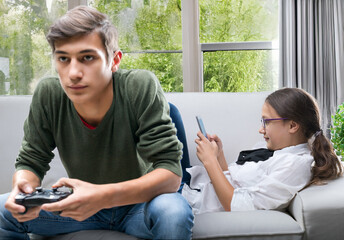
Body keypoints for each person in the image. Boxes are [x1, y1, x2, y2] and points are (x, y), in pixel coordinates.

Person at [0, 6, 193, 240]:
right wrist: (23, 188)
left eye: (87, 58)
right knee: (3, 209)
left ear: (115, 60)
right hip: (78, 207)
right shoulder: (48, 94)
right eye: (63, 58)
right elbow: (31, 161)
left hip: (140, 205)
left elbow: (171, 175)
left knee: (173, 213)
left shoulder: (140, 86)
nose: (73, 73)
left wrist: (101, 196)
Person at [182, 88, 343, 214]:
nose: (261, 129)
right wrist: (219, 156)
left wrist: (210, 161)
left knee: (169, 110)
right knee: (171, 110)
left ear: (293, 126)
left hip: (189, 192)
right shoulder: (276, 150)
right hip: (193, 182)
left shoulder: (294, 165)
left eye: (266, 122)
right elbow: (235, 182)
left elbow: (236, 205)